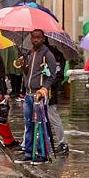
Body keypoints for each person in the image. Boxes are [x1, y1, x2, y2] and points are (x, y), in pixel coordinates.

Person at [16, 29, 57, 163]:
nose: (35, 40)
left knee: (40, 125)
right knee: (29, 124)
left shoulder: (47, 54)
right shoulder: (29, 53)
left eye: (38, 38)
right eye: (33, 37)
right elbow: (27, 73)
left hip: (39, 96)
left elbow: (52, 75)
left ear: (43, 39)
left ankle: (42, 153)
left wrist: (44, 89)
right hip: (28, 95)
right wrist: (23, 66)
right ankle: (28, 152)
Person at [46, 44, 69, 154]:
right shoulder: (34, 53)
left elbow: (58, 75)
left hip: (49, 91)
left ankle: (62, 142)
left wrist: (47, 86)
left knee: (53, 117)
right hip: (35, 91)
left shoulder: (56, 54)